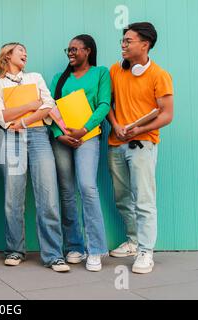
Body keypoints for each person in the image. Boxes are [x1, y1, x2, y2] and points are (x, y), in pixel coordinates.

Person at [0, 42, 69, 272]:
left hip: (37, 136)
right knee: (12, 197)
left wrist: (23, 119)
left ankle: (54, 255)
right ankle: (14, 250)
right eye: (19, 50)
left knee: (48, 195)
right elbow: (0, 115)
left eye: (26, 50)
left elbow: (49, 105)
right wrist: (31, 105)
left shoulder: (35, 77)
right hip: (11, 139)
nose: (25, 53)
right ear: (7, 56)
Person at [107, 22, 174, 274]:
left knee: (144, 200)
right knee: (122, 198)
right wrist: (115, 125)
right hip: (116, 144)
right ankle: (133, 241)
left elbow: (167, 115)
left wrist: (139, 129)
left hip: (142, 144)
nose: (123, 45)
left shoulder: (159, 75)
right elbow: (109, 104)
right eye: (123, 41)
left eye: (128, 41)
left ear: (144, 44)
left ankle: (146, 251)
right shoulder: (115, 70)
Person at [50, 35, 111, 272]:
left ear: (88, 51)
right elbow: (51, 109)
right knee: (66, 190)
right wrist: (59, 134)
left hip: (88, 136)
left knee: (87, 187)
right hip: (63, 139)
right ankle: (74, 245)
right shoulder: (59, 78)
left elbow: (104, 104)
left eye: (75, 49)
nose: (70, 53)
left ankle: (95, 249)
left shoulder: (100, 73)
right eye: (69, 49)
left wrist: (85, 129)